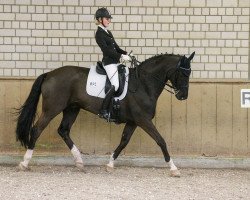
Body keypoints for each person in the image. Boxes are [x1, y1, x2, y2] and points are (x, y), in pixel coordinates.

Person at [94, 7, 131, 120]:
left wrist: (127, 53)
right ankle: (103, 110)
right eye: (107, 18)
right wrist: (120, 56)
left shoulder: (107, 32)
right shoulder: (99, 33)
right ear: (100, 19)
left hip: (115, 62)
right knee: (115, 85)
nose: (109, 20)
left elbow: (116, 47)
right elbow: (107, 50)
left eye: (109, 19)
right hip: (109, 63)